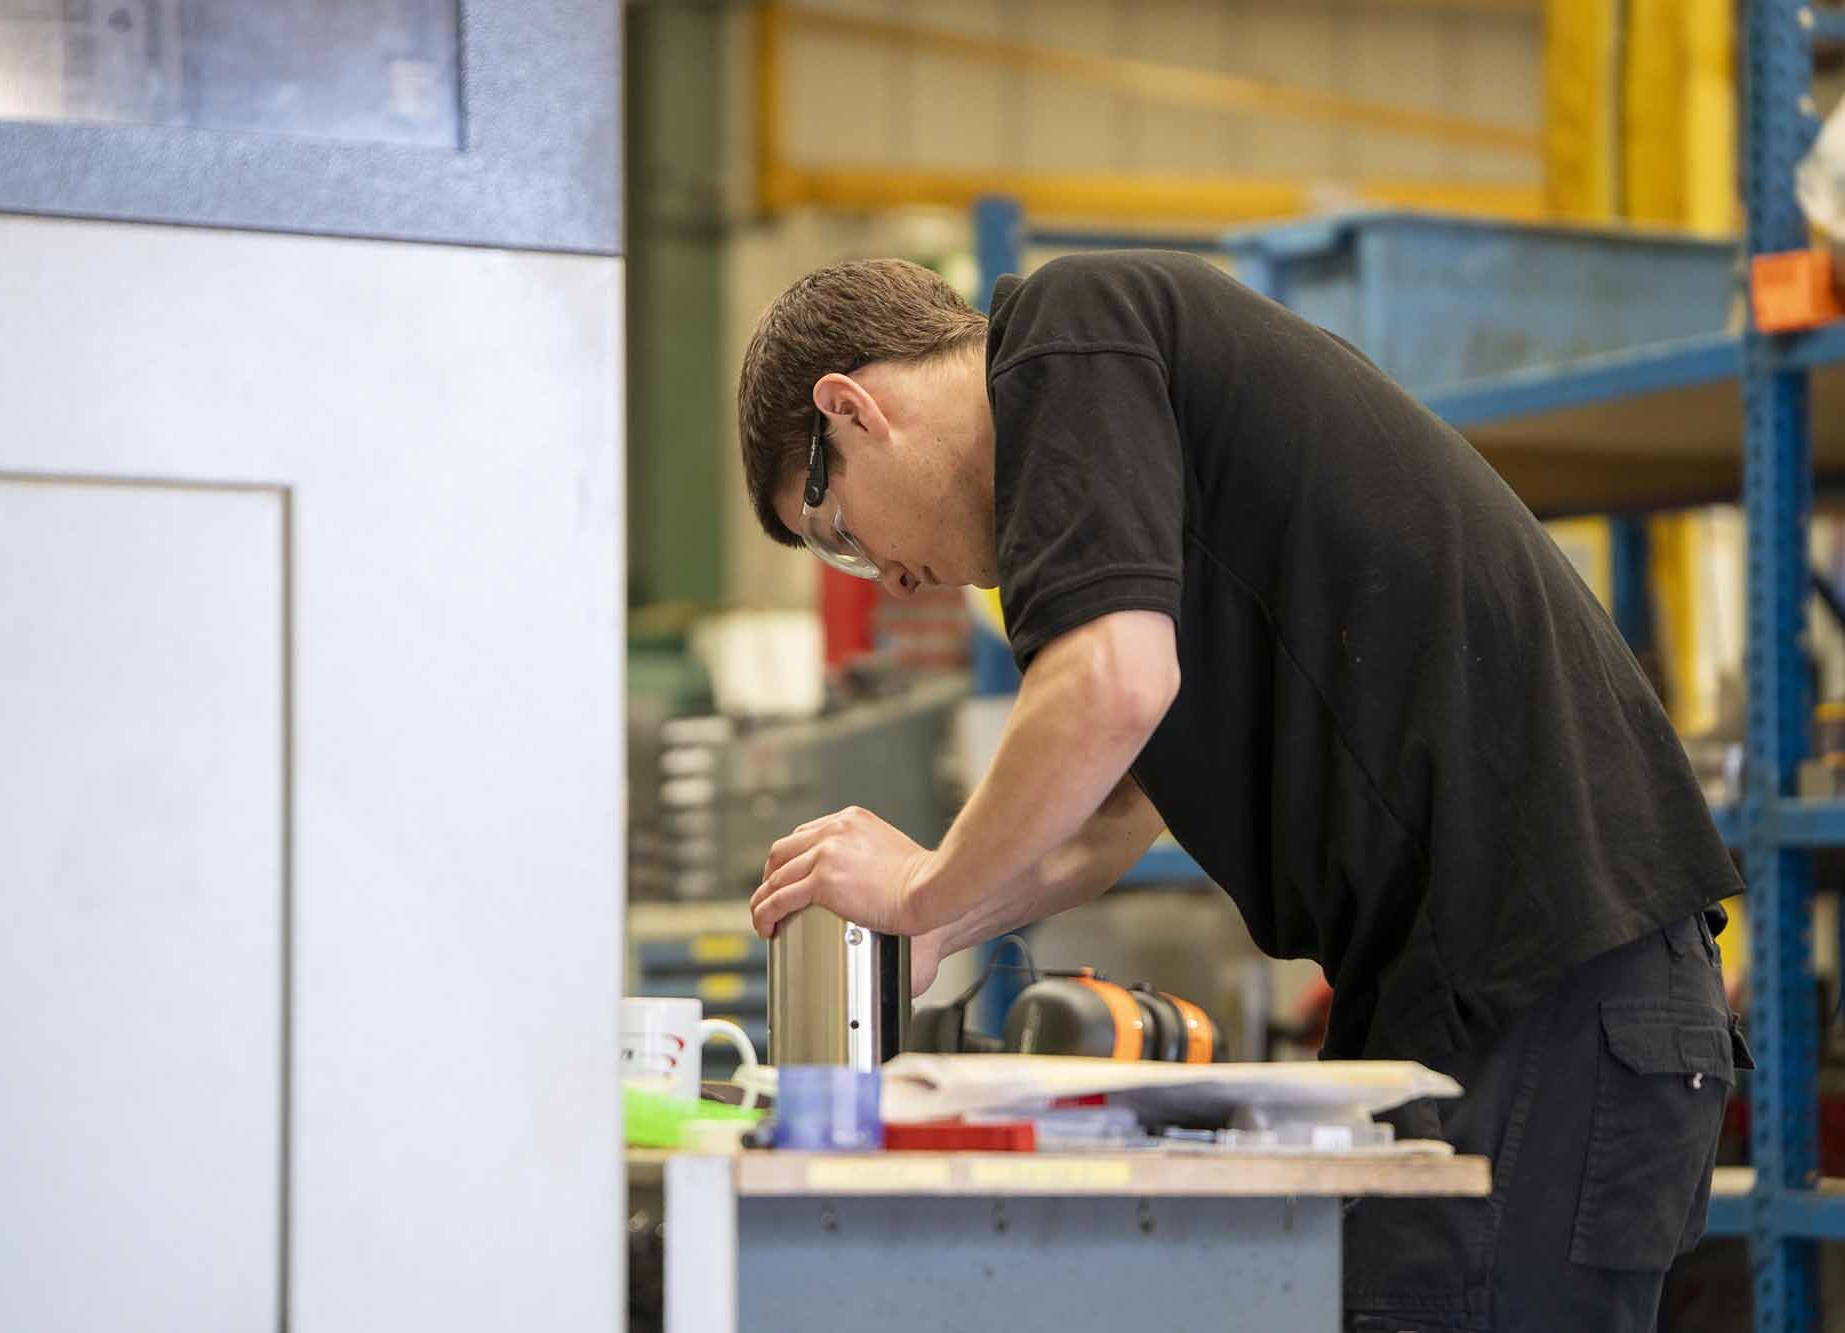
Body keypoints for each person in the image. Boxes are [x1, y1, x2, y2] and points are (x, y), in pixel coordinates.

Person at [735, 251, 1749, 1332]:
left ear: (851, 407)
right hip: (1485, 997)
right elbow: (1115, 811)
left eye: (840, 533)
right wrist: (942, 927)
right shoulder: (1125, 437)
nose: (885, 577)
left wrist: (924, 884)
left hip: (1547, 987)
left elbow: (1113, 685)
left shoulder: (1067, 336)